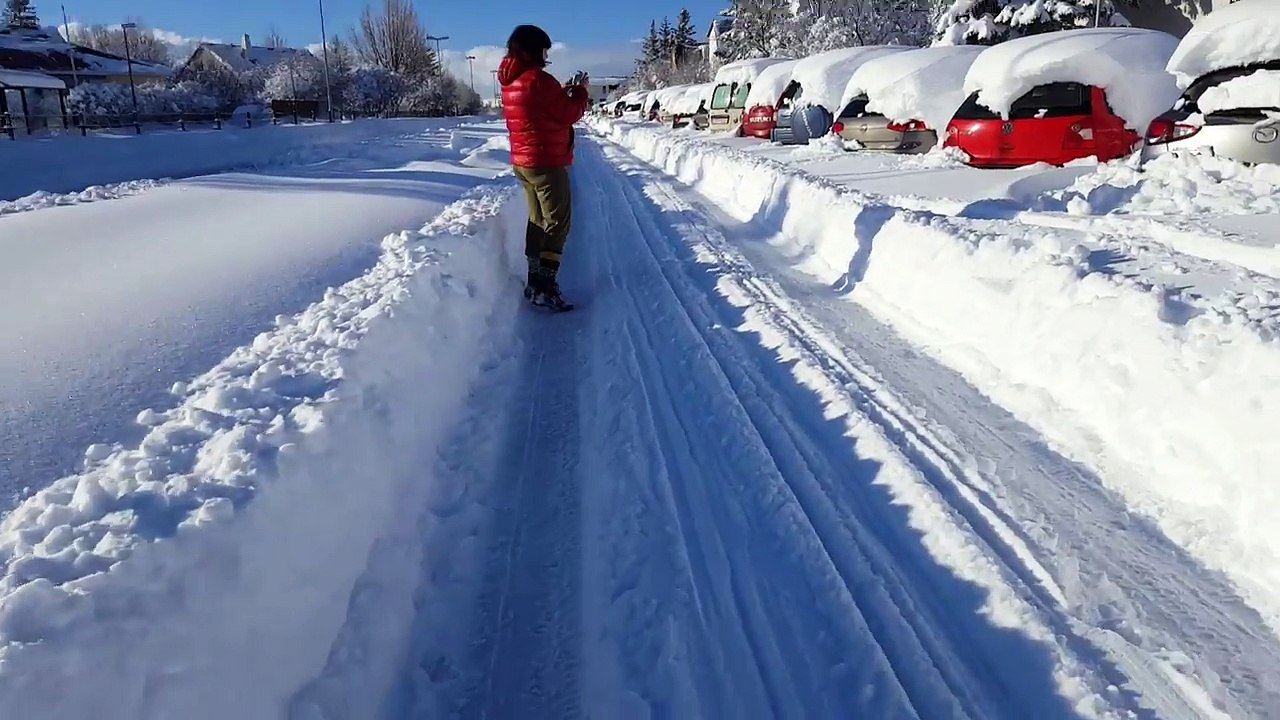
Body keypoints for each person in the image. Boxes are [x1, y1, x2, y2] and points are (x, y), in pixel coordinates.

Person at [498, 24, 591, 311]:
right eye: (544, 50)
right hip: (546, 163)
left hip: (523, 163)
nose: (546, 55)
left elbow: (543, 107)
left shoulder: (511, 80)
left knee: (537, 219)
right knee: (558, 222)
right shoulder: (538, 80)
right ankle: (547, 287)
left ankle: (534, 281)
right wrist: (581, 93)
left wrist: (562, 92)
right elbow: (568, 113)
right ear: (532, 49)